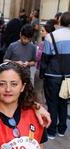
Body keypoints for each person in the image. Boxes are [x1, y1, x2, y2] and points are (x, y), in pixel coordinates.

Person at [40, 11, 70, 139]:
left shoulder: (51, 36)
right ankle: (62, 129)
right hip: (68, 76)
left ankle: (51, 131)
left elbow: (45, 57)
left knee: (52, 102)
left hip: (52, 75)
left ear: (59, 21)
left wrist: (42, 73)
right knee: (64, 101)